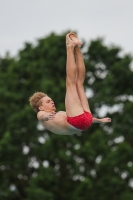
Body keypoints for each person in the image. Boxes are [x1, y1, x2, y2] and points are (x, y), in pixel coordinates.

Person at [29, 32, 111, 135]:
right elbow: (41, 116)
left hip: (86, 119)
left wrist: (99, 120)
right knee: (70, 83)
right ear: (41, 107)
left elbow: (82, 119)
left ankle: (77, 48)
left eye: (51, 100)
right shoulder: (42, 113)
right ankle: (69, 47)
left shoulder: (60, 114)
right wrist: (45, 116)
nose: (52, 102)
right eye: (48, 101)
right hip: (78, 121)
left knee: (79, 84)